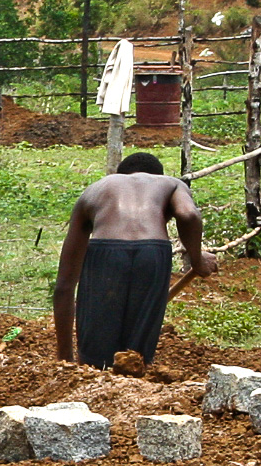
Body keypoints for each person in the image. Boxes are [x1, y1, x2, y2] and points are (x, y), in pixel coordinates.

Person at [53, 152, 217, 368]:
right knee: (136, 356)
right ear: (156, 175)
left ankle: (92, 375)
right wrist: (197, 260)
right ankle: (133, 379)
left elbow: (64, 286)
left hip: (105, 253)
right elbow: (189, 214)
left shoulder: (96, 189)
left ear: (119, 175)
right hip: (153, 252)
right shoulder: (170, 183)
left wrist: (65, 360)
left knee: (94, 361)